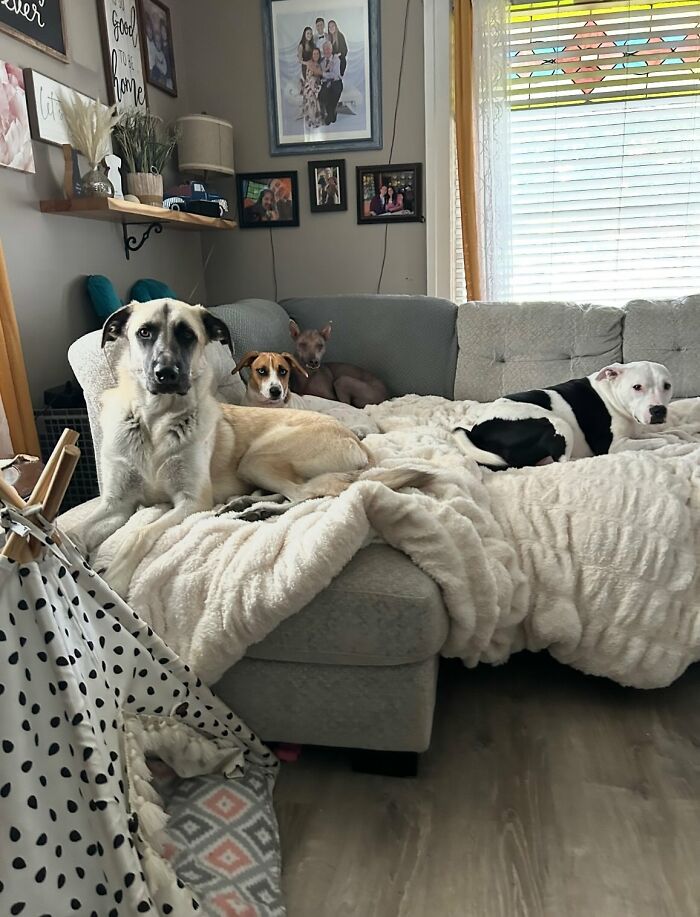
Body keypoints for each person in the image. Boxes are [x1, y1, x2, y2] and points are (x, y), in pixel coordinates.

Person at [319, 41, 343, 125]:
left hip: (336, 82)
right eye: (325, 49)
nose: (327, 51)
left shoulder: (336, 60)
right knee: (322, 94)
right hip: (326, 83)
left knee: (335, 90)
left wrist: (324, 74)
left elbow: (335, 74)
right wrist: (323, 75)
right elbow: (321, 76)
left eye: (328, 48)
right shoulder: (321, 62)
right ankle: (332, 113)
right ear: (323, 50)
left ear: (331, 49)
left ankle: (330, 113)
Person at [301, 46, 322, 129]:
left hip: (316, 85)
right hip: (310, 85)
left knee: (316, 95)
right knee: (312, 96)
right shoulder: (310, 63)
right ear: (312, 55)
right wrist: (314, 89)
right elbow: (310, 78)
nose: (316, 55)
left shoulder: (319, 64)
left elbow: (320, 76)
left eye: (317, 53)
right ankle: (312, 120)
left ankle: (316, 119)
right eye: (314, 54)